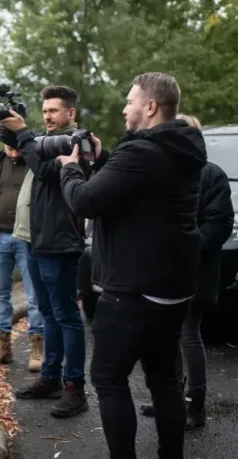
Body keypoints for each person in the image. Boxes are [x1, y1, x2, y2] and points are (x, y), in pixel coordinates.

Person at [57, 72, 207, 458]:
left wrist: (70, 169)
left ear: (150, 107)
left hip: (135, 290)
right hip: (174, 289)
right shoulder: (182, 148)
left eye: (130, 101)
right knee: (163, 380)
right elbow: (138, 186)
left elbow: (86, 202)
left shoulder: (141, 152)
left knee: (107, 378)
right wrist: (105, 158)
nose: (125, 108)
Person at [0, 86, 89, 418]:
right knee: (49, 313)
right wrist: (10, 129)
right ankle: (50, 377)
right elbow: (22, 152)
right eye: (45, 110)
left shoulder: (76, 143)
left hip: (60, 244)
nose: (48, 116)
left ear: (71, 113)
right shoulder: (42, 144)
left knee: (66, 315)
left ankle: (75, 389)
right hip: (35, 241)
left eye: (54, 110)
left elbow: (48, 172)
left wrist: (24, 133)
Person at [140, 114, 234, 431]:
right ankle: (170, 398)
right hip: (163, 275)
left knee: (188, 336)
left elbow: (219, 225)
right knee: (167, 338)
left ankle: (196, 404)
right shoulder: (162, 174)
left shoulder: (211, 175)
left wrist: (185, 249)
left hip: (196, 274)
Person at [0, 128, 45, 372]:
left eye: (17, 148)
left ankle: (38, 345)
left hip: (27, 239)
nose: (14, 152)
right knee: (0, 294)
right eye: (9, 148)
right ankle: (3, 345)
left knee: (35, 295)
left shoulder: (35, 164)